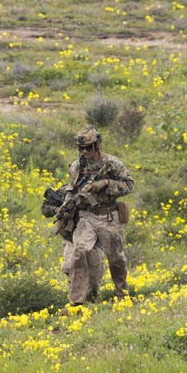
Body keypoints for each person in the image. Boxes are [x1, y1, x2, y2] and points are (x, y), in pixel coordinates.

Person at [62, 126, 133, 306]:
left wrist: (106, 184)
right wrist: (68, 202)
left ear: (97, 145)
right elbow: (71, 189)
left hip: (109, 215)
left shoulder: (112, 164)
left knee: (116, 258)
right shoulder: (77, 167)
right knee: (80, 251)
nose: (85, 152)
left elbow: (129, 185)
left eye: (89, 147)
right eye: (81, 148)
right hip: (86, 216)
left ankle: (122, 295)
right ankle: (78, 301)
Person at [41, 183, 107, 302]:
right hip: (71, 237)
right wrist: (57, 209)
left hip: (93, 239)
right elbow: (45, 208)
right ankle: (76, 301)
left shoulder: (97, 188)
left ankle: (91, 301)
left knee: (94, 276)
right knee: (69, 267)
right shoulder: (65, 190)